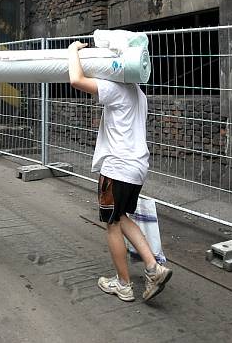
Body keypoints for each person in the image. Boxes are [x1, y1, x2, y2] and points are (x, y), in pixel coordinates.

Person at [68, 41, 172, 302]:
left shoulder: (115, 89)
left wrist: (73, 50)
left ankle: (123, 284)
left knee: (112, 224)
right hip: (137, 166)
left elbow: (76, 79)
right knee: (122, 217)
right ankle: (153, 268)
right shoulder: (138, 92)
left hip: (117, 167)